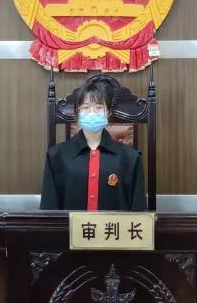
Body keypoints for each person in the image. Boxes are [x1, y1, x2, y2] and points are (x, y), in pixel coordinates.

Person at [40, 76, 147, 211]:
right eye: (85, 107)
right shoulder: (56, 156)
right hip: (71, 226)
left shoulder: (131, 158)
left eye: (98, 107)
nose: (92, 113)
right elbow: (49, 211)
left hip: (114, 225)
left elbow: (138, 212)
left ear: (108, 113)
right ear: (77, 113)